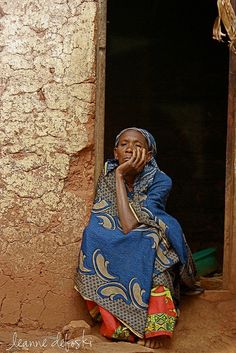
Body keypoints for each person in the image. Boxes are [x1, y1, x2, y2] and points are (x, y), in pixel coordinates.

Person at [75, 127, 202, 349]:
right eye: (124, 144)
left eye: (138, 145)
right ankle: (120, 327)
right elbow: (105, 217)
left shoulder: (161, 180)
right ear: (115, 153)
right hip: (118, 231)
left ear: (149, 155)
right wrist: (118, 175)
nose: (130, 150)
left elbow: (132, 222)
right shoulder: (108, 174)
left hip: (147, 229)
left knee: (152, 242)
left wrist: (121, 174)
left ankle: (156, 326)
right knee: (92, 235)